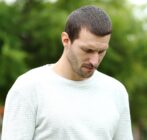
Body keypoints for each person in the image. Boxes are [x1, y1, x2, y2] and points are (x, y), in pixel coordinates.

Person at [1, 5, 133, 140]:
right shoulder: (28, 88)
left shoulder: (116, 91)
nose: (94, 61)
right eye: (87, 50)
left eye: (101, 51)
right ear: (66, 40)